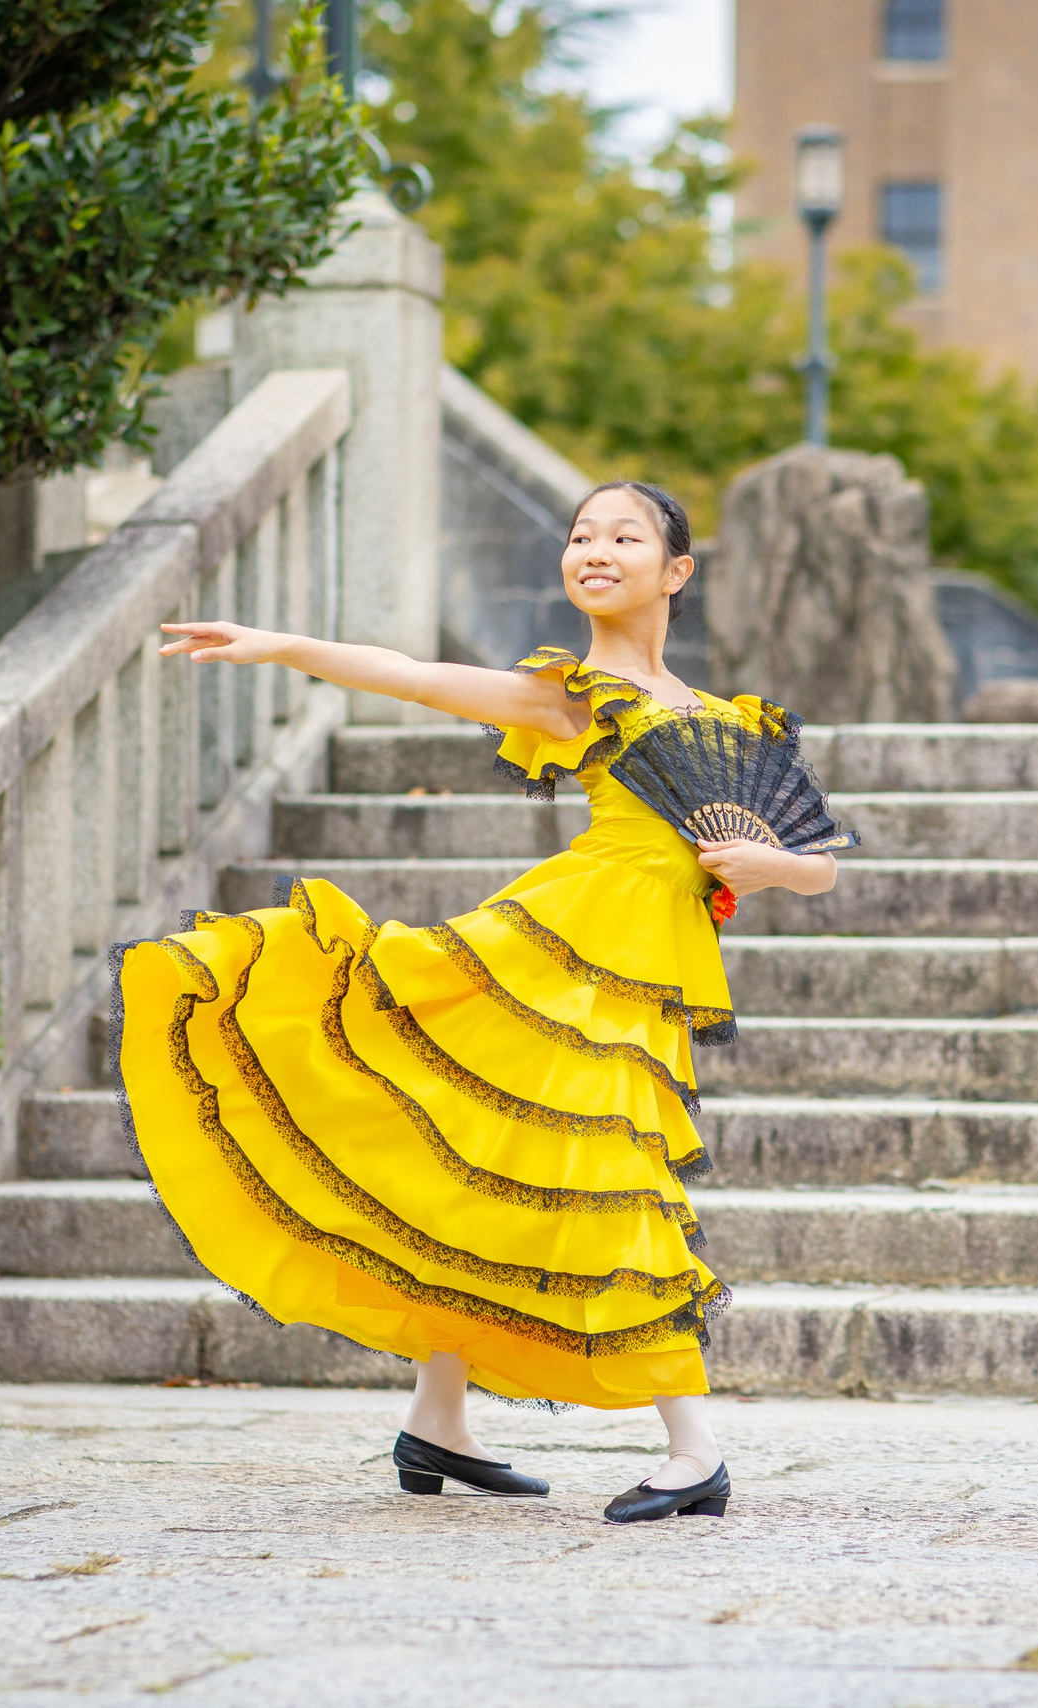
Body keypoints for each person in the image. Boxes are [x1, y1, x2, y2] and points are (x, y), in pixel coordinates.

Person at [118, 480, 842, 1522]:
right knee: (598, 1175)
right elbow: (415, 675)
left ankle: (437, 1422)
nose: (595, 548)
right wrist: (280, 644)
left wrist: (765, 870)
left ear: (675, 570)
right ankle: (695, 1450)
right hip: (551, 951)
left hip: (634, 972)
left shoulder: (734, 723)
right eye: (581, 534)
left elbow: (818, 866)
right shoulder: (575, 695)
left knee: (501, 1172)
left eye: (623, 535)